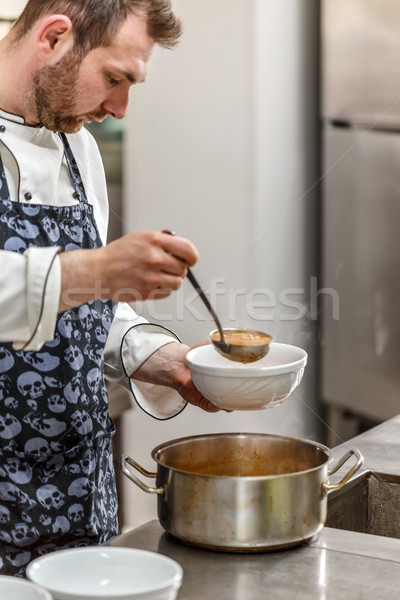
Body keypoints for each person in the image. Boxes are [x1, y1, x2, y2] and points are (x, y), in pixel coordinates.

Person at [0, 0, 219, 576]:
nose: (119, 108)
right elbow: (71, 282)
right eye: (114, 78)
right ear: (52, 38)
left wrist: (159, 355)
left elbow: (83, 311)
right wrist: (94, 271)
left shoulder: (79, 147)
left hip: (79, 501)